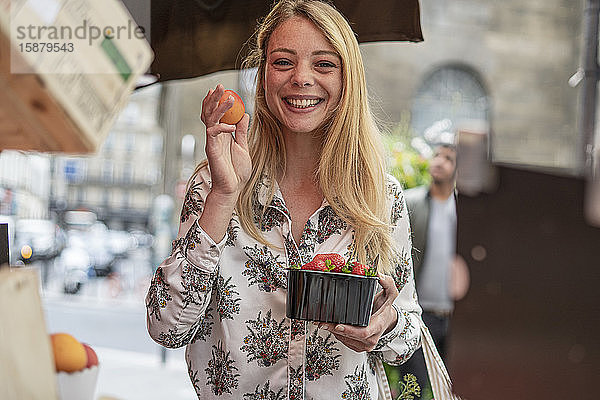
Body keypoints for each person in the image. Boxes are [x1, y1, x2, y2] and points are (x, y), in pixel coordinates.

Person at [145, 1, 421, 399]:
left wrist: (386, 322)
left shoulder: (380, 194)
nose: (302, 78)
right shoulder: (216, 184)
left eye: (323, 64)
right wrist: (224, 196)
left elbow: (409, 326)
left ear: (348, 80)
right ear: (263, 77)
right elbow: (166, 327)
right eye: (283, 62)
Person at [391, 141, 468, 398]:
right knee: (411, 387)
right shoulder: (411, 203)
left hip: (456, 316)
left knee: (452, 389)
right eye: (436, 155)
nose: (439, 162)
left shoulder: (466, 211)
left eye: (448, 158)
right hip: (422, 314)